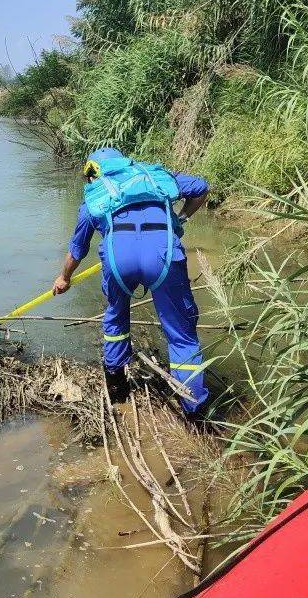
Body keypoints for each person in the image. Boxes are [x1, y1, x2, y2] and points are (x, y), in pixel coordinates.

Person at [51, 147, 210, 415]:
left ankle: (117, 389)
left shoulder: (96, 195)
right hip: (164, 255)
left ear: (94, 171)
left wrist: (64, 278)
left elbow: (77, 250)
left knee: (115, 318)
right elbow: (201, 188)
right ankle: (194, 409)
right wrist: (180, 218)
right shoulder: (152, 176)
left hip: (118, 259)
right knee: (182, 336)